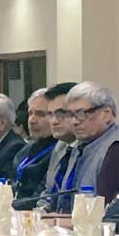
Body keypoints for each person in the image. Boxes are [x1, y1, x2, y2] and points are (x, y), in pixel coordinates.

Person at [56, 81, 119, 207]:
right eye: (70, 115)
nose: (74, 122)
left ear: (106, 114)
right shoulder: (81, 146)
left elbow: (110, 212)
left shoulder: (118, 151)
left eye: (81, 114)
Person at [33, 82, 78, 212]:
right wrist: (38, 213)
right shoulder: (60, 147)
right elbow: (48, 192)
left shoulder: (87, 150)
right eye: (50, 114)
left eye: (61, 113)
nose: (54, 121)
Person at [11, 89, 57, 207]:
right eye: (30, 113)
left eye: (41, 114)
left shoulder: (59, 152)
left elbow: (39, 197)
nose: (32, 120)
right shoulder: (24, 151)